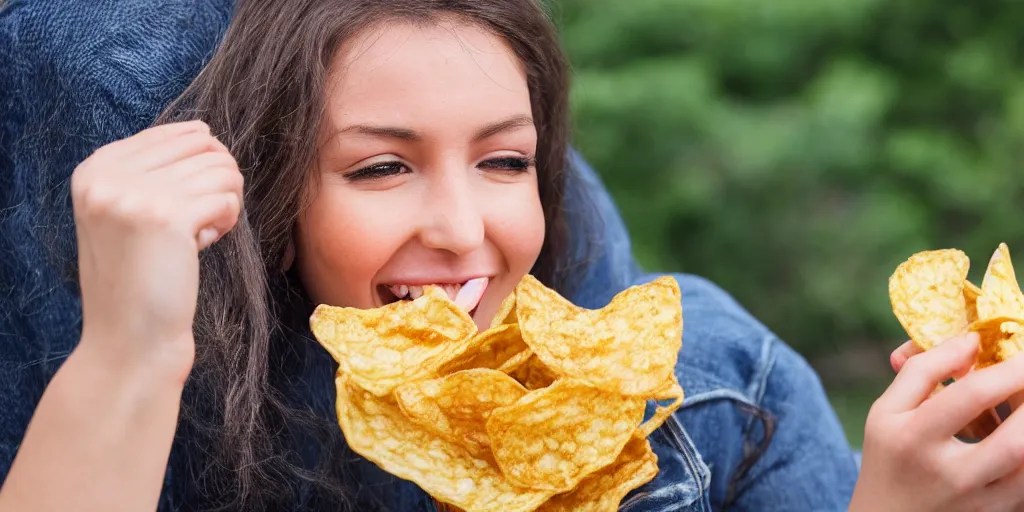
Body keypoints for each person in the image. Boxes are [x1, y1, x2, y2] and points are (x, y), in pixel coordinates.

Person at [3, 1, 1024, 511]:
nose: (462, 226)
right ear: (264, 196)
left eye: (504, 159)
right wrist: (132, 351)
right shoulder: (138, 424)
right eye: (381, 168)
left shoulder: (717, 392)